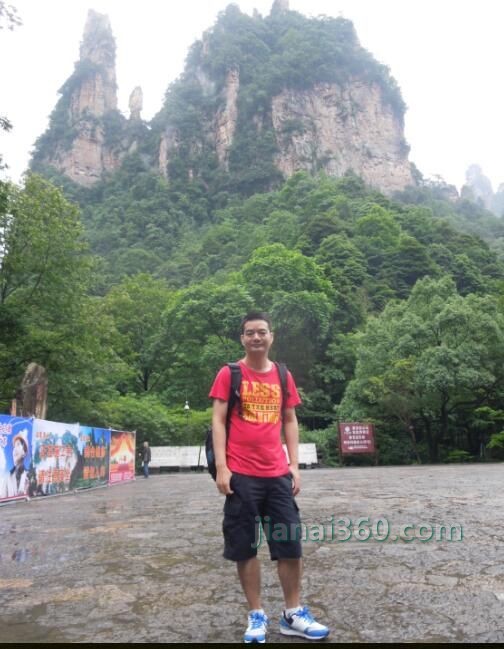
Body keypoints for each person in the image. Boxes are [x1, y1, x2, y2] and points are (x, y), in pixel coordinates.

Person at [209, 312, 330, 643]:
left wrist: (294, 464)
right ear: (242, 338)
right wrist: (222, 467)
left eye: (262, 332)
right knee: (245, 546)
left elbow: (289, 419)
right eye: (250, 333)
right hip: (241, 475)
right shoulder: (230, 373)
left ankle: (293, 614)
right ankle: (256, 615)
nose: (256, 338)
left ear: (271, 336)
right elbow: (217, 420)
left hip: (277, 474)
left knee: (289, 543)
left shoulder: (282, 374)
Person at [0, 429, 30, 499]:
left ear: (24, 453)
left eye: (18, 445)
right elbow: (3, 498)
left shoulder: (29, 476)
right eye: (14, 447)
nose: (15, 449)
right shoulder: (7, 477)